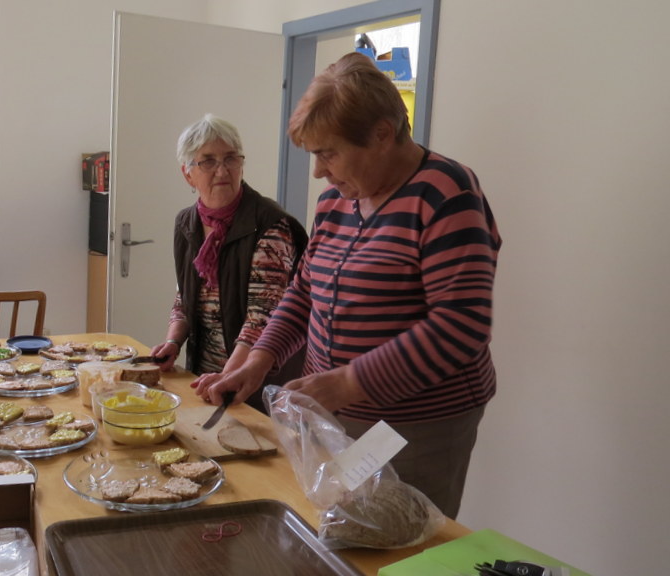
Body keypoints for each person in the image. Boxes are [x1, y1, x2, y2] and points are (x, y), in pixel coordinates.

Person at [193, 53, 502, 518]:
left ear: (382, 135)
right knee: (333, 527)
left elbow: (461, 325)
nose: (318, 171)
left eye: (328, 153)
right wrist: (259, 360)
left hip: (416, 423)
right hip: (332, 413)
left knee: (398, 541)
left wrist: (348, 382)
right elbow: (304, 290)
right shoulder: (336, 199)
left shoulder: (445, 192)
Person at [150, 114, 308, 412]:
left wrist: (229, 375)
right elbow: (185, 295)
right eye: (208, 161)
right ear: (188, 174)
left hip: (256, 381)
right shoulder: (187, 223)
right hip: (205, 375)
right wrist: (173, 343)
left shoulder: (270, 225)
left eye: (231, 158)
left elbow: (263, 318)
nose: (222, 170)